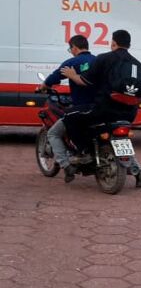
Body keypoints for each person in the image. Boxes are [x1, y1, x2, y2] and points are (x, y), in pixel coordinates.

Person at [60, 30, 141, 188]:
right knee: (114, 136)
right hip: (129, 114)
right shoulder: (139, 65)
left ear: (113, 43)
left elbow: (84, 81)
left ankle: (84, 152)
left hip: (104, 110)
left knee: (69, 116)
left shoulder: (104, 58)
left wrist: (72, 75)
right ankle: (137, 171)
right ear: (129, 44)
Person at [41, 35, 96, 183]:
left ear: (74, 48)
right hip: (100, 108)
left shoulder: (72, 62)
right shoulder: (98, 60)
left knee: (53, 133)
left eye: (70, 48)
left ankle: (67, 166)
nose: (70, 51)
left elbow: (53, 78)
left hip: (81, 109)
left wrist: (42, 87)